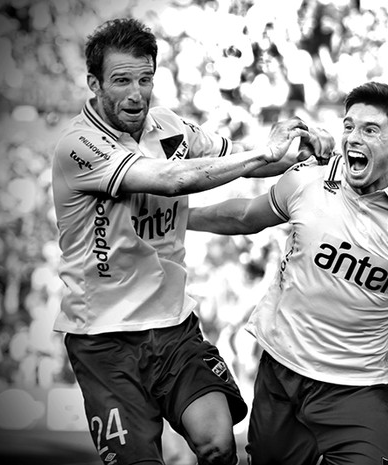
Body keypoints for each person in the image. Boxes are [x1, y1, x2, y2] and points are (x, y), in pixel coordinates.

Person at [51, 18, 332, 465]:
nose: (136, 93)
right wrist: (264, 153)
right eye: (121, 81)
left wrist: (300, 156)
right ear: (94, 82)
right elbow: (171, 180)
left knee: (218, 445)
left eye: (145, 79)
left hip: (172, 328)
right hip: (104, 340)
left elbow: (238, 159)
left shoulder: (169, 126)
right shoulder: (78, 145)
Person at [188, 81, 388, 465]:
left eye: (369, 129)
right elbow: (244, 217)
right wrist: (180, 219)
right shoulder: (308, 181)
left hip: (357, 387)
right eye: (348, 127)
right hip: (283, 372)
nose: (352, 138)